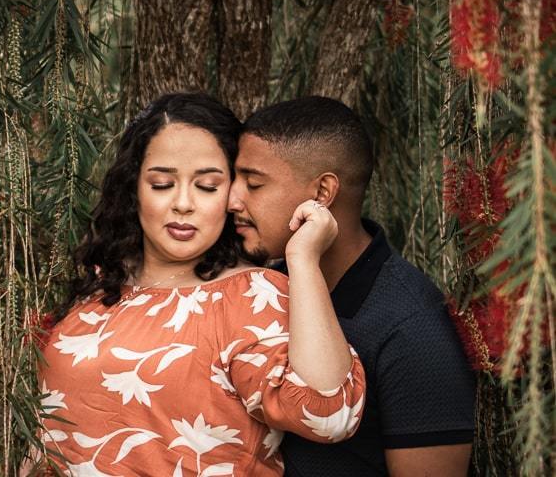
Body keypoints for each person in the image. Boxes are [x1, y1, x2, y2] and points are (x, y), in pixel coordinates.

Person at [33, 92, 366, 476]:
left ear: (232, 194)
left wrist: (303, 260)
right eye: (161, 184)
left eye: (207, 186)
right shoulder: (94, 286)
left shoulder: (254, 297)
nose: (183, 203)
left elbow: (329, 414)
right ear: (133, 188)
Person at [228, 96, 475, 477]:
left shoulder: (413, 328)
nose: (232, 200)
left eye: (254, 183)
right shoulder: (262, 289)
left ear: (322, 193)